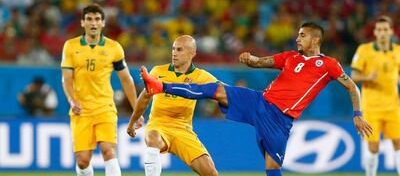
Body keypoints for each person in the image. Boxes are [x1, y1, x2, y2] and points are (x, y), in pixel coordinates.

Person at [139, 22, 373, 176]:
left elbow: (352, 87)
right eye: (298, 35)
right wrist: (251, 59)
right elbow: (263, 62)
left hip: (279, 118)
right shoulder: (291, 57)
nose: (298, 39)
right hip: (260, 101)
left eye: (302, 35)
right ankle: (160, 85)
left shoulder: (328, 64)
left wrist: (357, 114)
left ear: (316, 40)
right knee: (217, 90)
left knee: (272, 168)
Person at [61, 4, 143, 176]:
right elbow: (66, 79)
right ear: (82, 23)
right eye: (89, 19)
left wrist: (137, 109)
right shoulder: (71, 46)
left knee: (108, 150)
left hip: (105, 107)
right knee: (83, 161)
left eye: (97, 19)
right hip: (81, 110)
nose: (93, 23)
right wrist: (71, 100)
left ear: (103, 23)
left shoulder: (114, 48)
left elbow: (126, 80)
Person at [126, 35, 219, 176]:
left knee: (211, 173)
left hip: (183, 129)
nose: (174, 53)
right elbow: (144, 97)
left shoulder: (201, 76)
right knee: (153, 137)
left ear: (192, 53)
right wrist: (133, 121)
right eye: (173, 49)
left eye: (180, 50)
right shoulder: (158, 71)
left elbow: (224, 92)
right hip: (158, 125)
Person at [351, 15, 400, 176]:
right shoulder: (364, 50)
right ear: (375, 32)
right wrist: (367, 77)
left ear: (391, 31)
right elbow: (354, 76)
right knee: (374, 146)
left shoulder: (398, 51)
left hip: (393, 106)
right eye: (379, 30)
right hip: (371, 107)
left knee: (398, 143)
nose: (383, 33)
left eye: (385, 29)